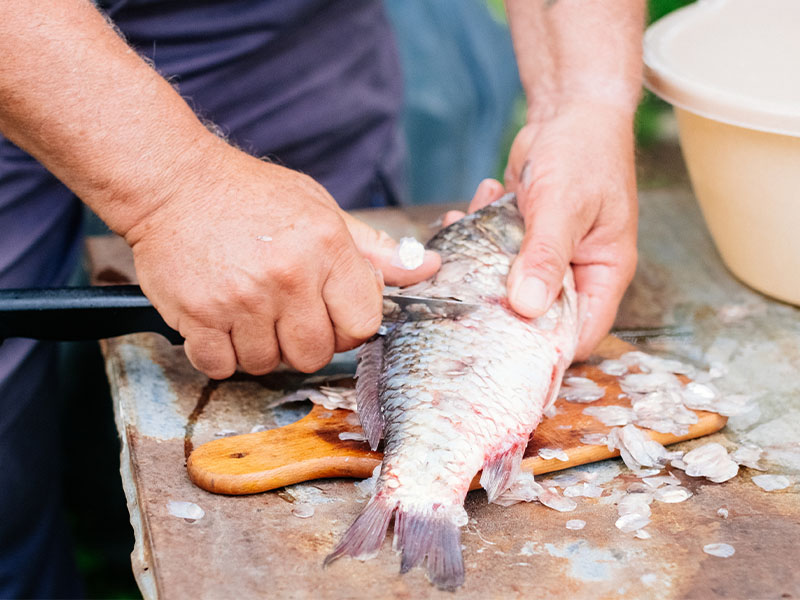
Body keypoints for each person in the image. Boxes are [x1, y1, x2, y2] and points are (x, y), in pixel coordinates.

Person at [0, 1, 643, 596]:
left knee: (285, 315)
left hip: (282, 41)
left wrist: (583, 105)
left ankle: (121, 544)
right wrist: (176, 185)